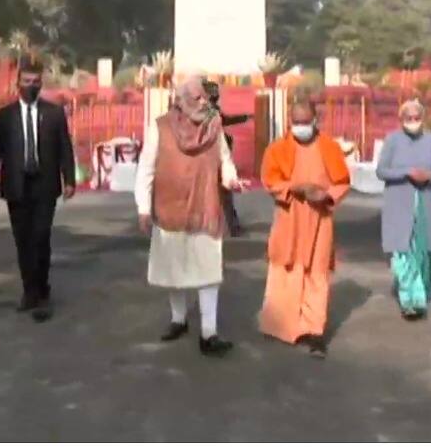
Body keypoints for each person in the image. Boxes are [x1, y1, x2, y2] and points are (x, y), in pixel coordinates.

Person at [135, 75, 241, 357]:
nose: (203, 102)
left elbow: (225, 161)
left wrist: (231, 180)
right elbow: (146, 169)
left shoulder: (214, 128)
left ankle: (209, 333)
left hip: (205, 207)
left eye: (204, 97)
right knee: (174, 269)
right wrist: (143, 208)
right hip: (169, 208)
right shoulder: (159, 128)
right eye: (196, 98)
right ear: (179, 102)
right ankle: (178, 319)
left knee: (208, 271)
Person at [0, 55, 77, 322]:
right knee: (23, 240)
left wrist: (69, 179)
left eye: (35, 82)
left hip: (45, 185)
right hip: (16, 185)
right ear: (17, 82)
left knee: (41, 237)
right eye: (26, 81)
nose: (30, 85)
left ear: (41, 83)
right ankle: (29, 291)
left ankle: (43, 291)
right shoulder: (5, 116)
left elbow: (64, 149)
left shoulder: (54, 114)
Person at [258, 101, 351, 358]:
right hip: (290, 215)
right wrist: (294, 189)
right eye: (296, 123)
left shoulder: (329, 147)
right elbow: (270, 180)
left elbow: (342, 181)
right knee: (285, 267)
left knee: (317, 272)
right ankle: (281, 325)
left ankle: (314, 332)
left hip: (319, 217)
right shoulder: (278, 149)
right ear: (290, 121)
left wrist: (326, 195)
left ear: (315, 120)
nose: (300, 127)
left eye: (305, 122)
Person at [376, 100, 431, 318]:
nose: (413, 122)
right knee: (403, 254)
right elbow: (381, 171)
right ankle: (408, 300)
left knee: (423, 252)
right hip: (399, 204)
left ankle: (421, 296)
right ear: (402, 120)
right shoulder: (392, 141)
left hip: (426, 204)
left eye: (417, 118)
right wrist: (406, 173)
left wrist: (429, 176)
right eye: (409, 118)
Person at [203, 79, 251, 237]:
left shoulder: (209, 109)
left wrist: (243, 118)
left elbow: (224, 120)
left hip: (213, 156)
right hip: (211, 156)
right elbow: (223, 121)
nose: (216, 95)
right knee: (224, 194)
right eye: (214, 92)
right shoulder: (207, 111)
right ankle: (231, 226)